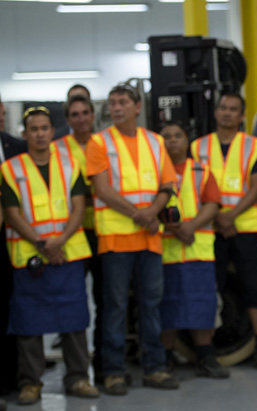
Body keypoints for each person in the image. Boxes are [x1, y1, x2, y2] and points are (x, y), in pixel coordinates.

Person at [0, 106, 99, 405]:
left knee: (74, 319)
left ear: (52, 131)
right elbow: (12, 214)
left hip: (67, 253)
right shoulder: (10, 169)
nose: (40, 134)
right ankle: (31, 383)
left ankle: (79, 377)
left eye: (45, 128)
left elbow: (79, 207)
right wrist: (43, 244)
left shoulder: (70, 165)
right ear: (24, 133)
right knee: (28, 323)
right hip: (30, 257)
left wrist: (58, 242)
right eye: (34, 129)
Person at [85, 83, 179, 395]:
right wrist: (140, 215)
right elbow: (102, 190)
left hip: (149, 238)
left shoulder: (155, 141)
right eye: (112, 103)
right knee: (114, 306)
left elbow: (168, 184)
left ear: (137, 107)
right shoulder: (99, 143)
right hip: (116, 238)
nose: (116, 108)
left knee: (151, 304)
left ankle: (154, 368)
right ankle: (113, 372)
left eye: (123, 102)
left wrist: (151, 212)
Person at [190, 93, 257, 371]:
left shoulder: (253, 146)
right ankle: (206, 351)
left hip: (244, 227)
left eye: (233, 110)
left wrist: (230, 216)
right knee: (210, 289)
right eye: (223, 108)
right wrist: (217, 217)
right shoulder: (197, 147)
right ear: (215, 113)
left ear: (242, 116)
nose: (227, 113)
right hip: (209, 229)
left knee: (254, 288)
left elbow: (256, 187)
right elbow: (192, 187)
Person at [159, 121, 229, 378]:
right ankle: (164, 358)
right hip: (166, 252)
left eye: (177, 135)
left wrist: (190, 227)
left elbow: (212, 203)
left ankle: (205, 356)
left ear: (187, 140)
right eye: (166, 136)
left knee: (203, 304)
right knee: (165, 306)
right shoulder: (153, 171)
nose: (172, 140)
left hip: (198, 251)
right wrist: (178, 230)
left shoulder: (201, 170)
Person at [50, 94, 106, 382]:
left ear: (93, 116)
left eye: (86, 113)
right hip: (72, 233)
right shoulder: (57, 149)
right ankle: (76, 365)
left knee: (106, 299)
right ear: (68, 119)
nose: (81, 118)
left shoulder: (106, 145)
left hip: (105, 231)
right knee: (72, 299)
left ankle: (105, 361)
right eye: (75, 114)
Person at [0, 93, 24, 401]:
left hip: (13, 239)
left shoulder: (15, 148)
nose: (1, 117)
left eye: (2, 112)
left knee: (10, 309)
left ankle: (10, 378)